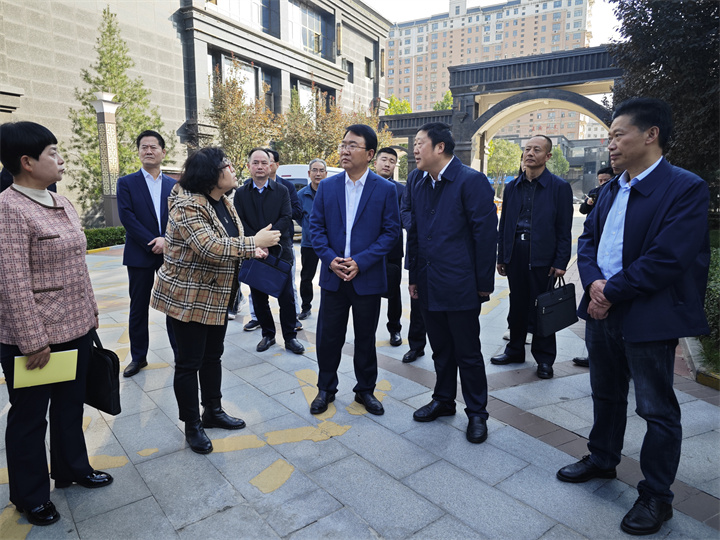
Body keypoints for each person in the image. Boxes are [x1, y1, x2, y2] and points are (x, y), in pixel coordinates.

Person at [557, 98, 711, 536]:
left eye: (617, 135)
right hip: (601, 311)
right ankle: (602, 458)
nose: (609, 144)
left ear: (651, 134)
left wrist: (611, 292)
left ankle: (657, 496)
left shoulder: (684, 188)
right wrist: (593, 283)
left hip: (648, 316)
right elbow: (588, 242)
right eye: (608, 137)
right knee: (605, 394)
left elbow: (667, 258)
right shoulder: (610, 190)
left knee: (655, 408)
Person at [0, 122, 112, 527]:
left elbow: (77, 266)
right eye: (52, 153)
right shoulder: (8, 209)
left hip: (75, 328)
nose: (61, 159)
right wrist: (33, 341)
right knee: (30, 417)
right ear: (27, 162)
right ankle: (30, 496)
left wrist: (91, 313)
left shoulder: (61, 201)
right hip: (35, 338)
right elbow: (11, 282)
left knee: (70, 406)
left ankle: (72, 469)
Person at [151, 147, 280, 454]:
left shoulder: (223, 201)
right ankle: (192, 425)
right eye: (227, 165)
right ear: (211, 174)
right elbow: (209, 246)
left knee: (212, 357)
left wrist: (251, 250)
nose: (233, 169)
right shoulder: (187, 206)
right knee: (188, 363)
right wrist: (253, 242)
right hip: (189, 299)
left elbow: (227, 241)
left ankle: (213, 410)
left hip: (217, 297)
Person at [407, 122, 497, 444]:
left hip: (460, 284)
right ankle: (443, 400)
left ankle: (477, 413)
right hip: (428, 282)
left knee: (467, 353)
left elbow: (485, 236)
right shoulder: (418, 181)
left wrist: (483, 284)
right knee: (440, 350)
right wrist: (413, 276)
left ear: (440, 147)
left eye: (420, 143)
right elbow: (415, 233)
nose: (414, 149)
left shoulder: (471, 181)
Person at [308, 124, 400, 416]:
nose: (345, 150)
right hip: (334, 276)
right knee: (328, 337)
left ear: (369, 154)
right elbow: (316, 228)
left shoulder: (385, 189)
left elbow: (391, 232)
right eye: (343, 144)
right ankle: (326, 388)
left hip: (366, 276)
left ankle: (365, 390)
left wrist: (361, 261)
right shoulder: (328, 186)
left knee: (365, 338)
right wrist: (330, 259)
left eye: (352, 145)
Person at [491, 135, 573, 379]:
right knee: (517, 305)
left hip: (542, 256)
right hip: (516, 253)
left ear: (547, 156)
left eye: (536, 150)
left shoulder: (559, 187)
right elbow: (504, 225)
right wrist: (502, 256)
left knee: (542, 308)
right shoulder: (512, 187)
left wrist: (560, 262)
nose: (530, 153)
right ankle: (515, 350)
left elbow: (564, 229)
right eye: (527, 149)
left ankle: (544, 359)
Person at [117, 130, 178, 377]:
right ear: (139, 152)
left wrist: (166, 240)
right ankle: (138, 357)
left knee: (174, 306)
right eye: (144, 147)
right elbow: (127, 217)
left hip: (169, 253)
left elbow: (178, 217)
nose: (149, 151)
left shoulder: (174, 185)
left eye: (153, 147)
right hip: (140, 254)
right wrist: (151, 241)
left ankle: (180, 353)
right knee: (138, 307)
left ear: (163, 152)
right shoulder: (126, 183)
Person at [234, 148, 304, 355]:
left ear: (270, 165)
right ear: (249, 166)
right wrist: (257, 242)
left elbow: (286, 217)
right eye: (255, 163)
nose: (260, 166)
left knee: (286, 297)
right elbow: (239, 222)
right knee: (259, 297)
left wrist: (266, 240)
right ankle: (268, 335)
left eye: (264, 163)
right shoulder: (241, 193)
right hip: (255, 252)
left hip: (280, 251)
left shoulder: (282, 190)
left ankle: (290, 337)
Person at [573, 165, 616, 368]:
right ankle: (594, 356)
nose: (602, 183)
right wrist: (592, 281)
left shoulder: (619, 190)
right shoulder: (599, 192)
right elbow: (586, 238)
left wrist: (613, 291)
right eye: (600, 181)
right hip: (598, 273)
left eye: (605, 180)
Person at [266, 149, 303, 331]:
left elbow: (295, 211)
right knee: (257, 283)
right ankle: (258, 319)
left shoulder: (286, 187)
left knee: (288, 284)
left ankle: (293, 318)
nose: (264, 165)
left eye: (268, 161)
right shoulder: (247, 187)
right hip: (259, 244)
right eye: (259, 161)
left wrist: (274, 221)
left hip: (283, 242)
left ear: (276, 164)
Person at [375, 147, 405, 347]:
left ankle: (395, 329)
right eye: (384, 159)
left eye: (392, 161)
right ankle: (367, 329)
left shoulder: (401, 190)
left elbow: (402, 218)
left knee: (394, 290)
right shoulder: (365, 185)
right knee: (368, 291)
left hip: (392, 249)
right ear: (375, 162)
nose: (387, 164)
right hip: (368, 249)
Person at [399, 167, 429, 363]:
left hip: (444, 252)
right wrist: (418, 228)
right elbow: (405, 209)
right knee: (417, 300)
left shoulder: (455, 175)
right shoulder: (415, 176)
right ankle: (416, 346)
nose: (416, 152)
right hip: (418, 248)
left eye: (420, 150)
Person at [297, 158, 327, 320]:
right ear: (309, 173)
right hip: (309, 244)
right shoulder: (301, 195)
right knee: (307, 277)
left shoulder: (330, 192)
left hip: (329, 243)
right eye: (314, 170)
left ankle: (329, 306)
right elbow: (297, 216)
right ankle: (306, 307)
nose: (318, 173)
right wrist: (307, 228)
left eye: (321, 170)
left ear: (326, 173)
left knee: (330, 276)